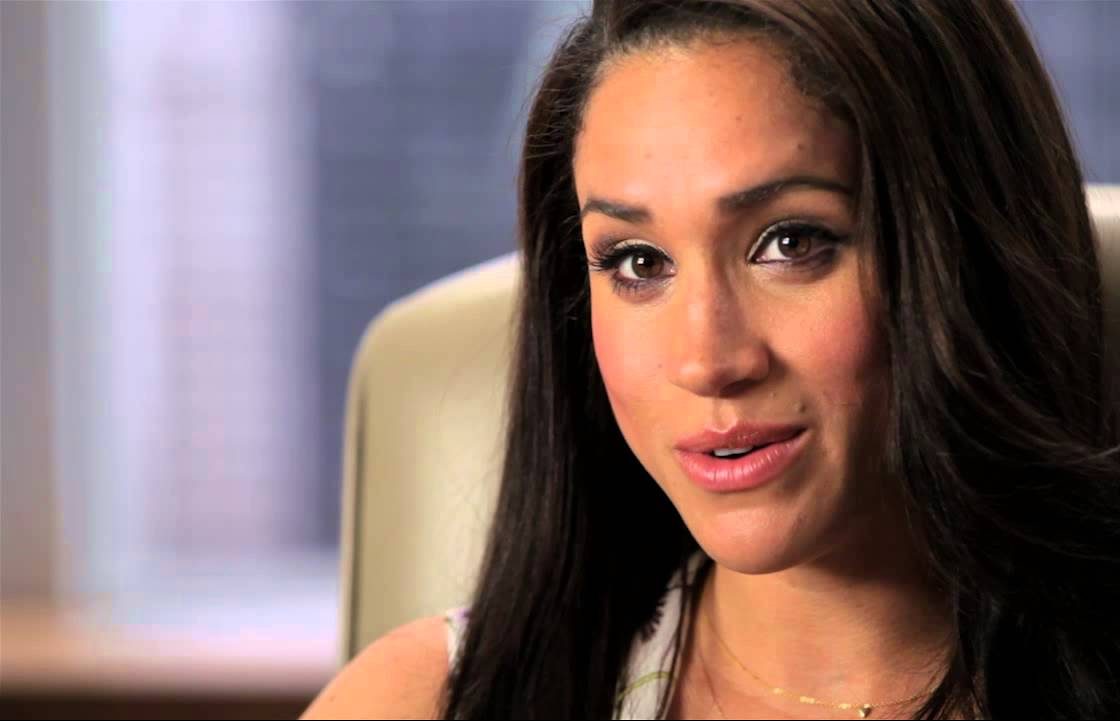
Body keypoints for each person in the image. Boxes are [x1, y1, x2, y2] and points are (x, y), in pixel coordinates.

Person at [302, 1, 1120, 718]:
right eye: (637, 261)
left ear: (966, 251)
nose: (707, 359)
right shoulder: (423, 701)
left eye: (790, 243)